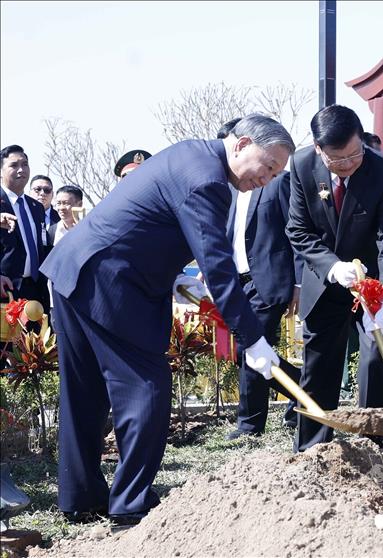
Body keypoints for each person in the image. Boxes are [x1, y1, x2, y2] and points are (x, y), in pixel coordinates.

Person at [41, 115, 296, 526]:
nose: (267, 179)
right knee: (147, 391)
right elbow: (217, 264)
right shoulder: (208, 181)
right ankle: (129, 504)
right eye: (267, 167)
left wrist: (177, 279)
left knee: (85, 394)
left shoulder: (192, 154)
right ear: (242, 143)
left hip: (78, 272)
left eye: (276, 173)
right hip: (111, 284)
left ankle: (81, 498)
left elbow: (152, 225)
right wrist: (252, 339)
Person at [286, 104, 383, 451]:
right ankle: (313, 450)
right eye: (337, 161)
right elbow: (298, 229)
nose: (348, 165)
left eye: (355, 155)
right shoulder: (301, 164)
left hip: (371, 284)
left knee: (375, 358)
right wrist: (331, 266)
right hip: (326, 282)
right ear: (318, 148)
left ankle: (372, 447)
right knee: (320, 365)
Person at [217, 119, 302, 440]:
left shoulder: (277, 183)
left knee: (249, 346)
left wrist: (297, 283)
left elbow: (296, 232)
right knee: (248, 350)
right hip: (237, 279)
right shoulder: (226, 186)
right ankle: (300, 386)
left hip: (269, 279)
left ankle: (250, 425)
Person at [0, 145, 50, 311]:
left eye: (25, 164)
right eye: (14, 165)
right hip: (6, 291)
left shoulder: (36, 207)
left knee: (38, 337)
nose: (21, 170)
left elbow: (42, 246)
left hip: (37, 291)